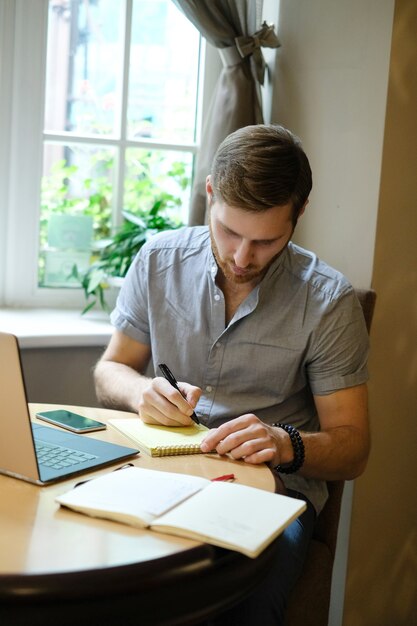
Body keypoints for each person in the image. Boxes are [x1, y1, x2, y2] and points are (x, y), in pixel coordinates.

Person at [94, 124, 370, 625]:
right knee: (95, 575)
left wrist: (285, 444)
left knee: (239, 604)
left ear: (299, 214)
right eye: (229, 232)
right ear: (209, 193)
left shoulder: (329, 302)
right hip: (159, 472)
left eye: (266, 241)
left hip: (271, 492)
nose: (243, 258)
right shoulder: (158, 260)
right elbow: (110, 369)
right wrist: (141, 392)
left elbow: (353, 448)